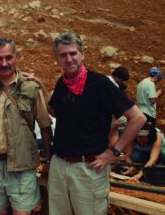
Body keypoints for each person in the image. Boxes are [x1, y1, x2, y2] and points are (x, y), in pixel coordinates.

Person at [26, 32, 146, 215]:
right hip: (60, 166)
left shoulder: (100, 83)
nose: (68, 58)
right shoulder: (62, 83)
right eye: (63, 55)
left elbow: (138, 118)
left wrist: (114, 153)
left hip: (88, 168)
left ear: (82, 54)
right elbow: (56, 111)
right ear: (56, 59)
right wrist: (41, 86)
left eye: (72, 53)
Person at [0, 38, 53, 215]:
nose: (4, 63)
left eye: (8, 57)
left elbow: (45, 126)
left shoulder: (30, 87)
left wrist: (48, 162)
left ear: (17, 57)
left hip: (22, 167)